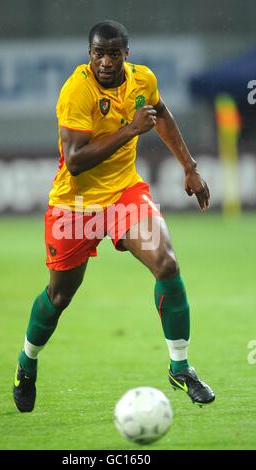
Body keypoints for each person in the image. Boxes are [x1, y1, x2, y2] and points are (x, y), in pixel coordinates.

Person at [13, 20, 215, 412]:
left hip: (124, 194)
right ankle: (27, 362)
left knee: (167, 264)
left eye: (113, 53)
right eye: (98, 53)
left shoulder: (143, 80)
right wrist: (130, 130)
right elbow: (74, 162)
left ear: (127, 53)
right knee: (59, 296)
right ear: (89, 55)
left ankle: (180, 366)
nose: (105, 61)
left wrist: (189, 166)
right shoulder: (76, 90)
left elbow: (162, 113)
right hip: (75, 206)